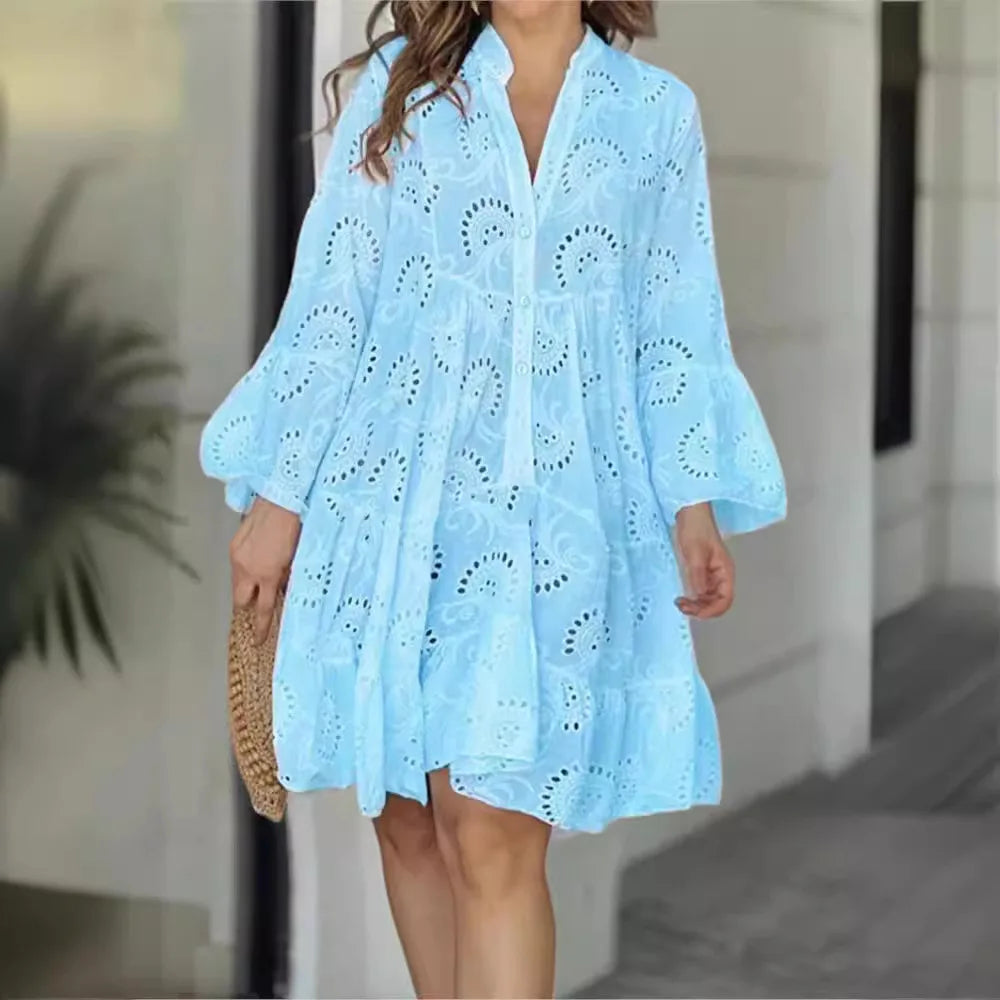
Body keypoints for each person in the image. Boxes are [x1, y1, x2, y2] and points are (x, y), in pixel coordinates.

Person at [200, 1, 786, 996]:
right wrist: (280, 497)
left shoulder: (654, 115)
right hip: (389, 507)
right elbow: (335, 302)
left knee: (495, 830)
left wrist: (692, 499)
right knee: (409, 822)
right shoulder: (403, 92)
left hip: (559, 528)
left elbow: (675, 324)